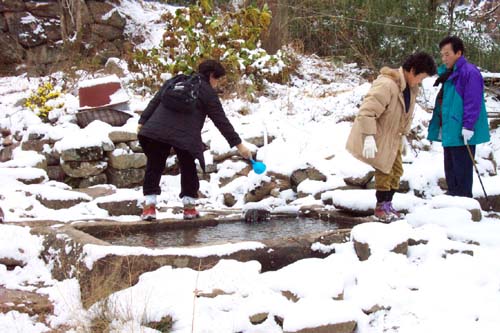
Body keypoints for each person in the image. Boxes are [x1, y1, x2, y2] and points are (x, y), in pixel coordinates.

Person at [137, 60, 252, 221]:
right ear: (211, 75)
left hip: (156, 129)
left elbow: (155, 100)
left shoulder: (177, 80)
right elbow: (221, 121)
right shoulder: (207, 92)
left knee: (154, 164)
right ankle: (189, 209)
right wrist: (240, 145)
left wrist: (142, 122)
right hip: (185, 134)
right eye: (217, 79)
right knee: (188, 166)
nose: (216, 83)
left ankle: (149, 208)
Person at [346, 52, 437, 222]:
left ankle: (388, 204)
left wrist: (403, 135)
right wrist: (368, 136)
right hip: (379, 136)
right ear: (412, 70)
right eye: (421, 77)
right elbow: (367, 111)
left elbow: (405, 115)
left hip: (393, 137)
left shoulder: (409, 89)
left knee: (396, 171)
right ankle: (381, 208)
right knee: (384, 171)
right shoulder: (387, 85)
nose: (421, 82)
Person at [428, 36, 490, 198]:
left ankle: (464, 203)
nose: (444, 58)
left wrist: (468, 126)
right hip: (450, 129)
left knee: (462, 171)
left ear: (459, 53)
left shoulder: (469, 73)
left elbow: (473, 101)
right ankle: (453, 200)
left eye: (447, 54)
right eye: (442, 55)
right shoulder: (449, 74)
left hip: (462, 131)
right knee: (451, 169)